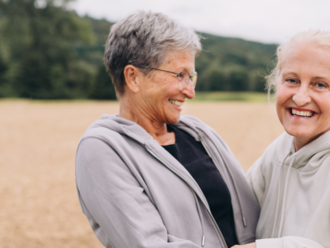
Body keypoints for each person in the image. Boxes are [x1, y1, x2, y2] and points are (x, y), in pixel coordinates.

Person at [75, 11, 259, 248]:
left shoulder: (199, 133)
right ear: (133, 78)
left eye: (191, 76)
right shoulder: (101, 150)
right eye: (180, 75)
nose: (190, 91)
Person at [244, 30, 330, 248]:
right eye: (292, 80)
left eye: (320, 84)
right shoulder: (278, 150)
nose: (300, 98)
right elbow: (236, 209)